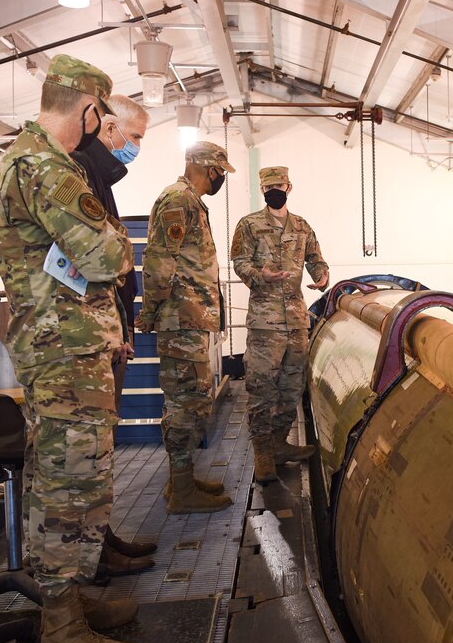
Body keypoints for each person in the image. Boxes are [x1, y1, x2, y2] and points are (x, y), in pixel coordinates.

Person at [0, 53, 148, 643]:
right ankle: (62, 627)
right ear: (88, 110)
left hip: (62, 348)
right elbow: (108, 255)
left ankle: (73, 600)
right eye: (101, 117)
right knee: (68, 484)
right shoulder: (47, 169)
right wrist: (113, 247)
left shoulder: (23, 163)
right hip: (64, 351)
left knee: (71, 476)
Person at [70, 94, 156, 579]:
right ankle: (87, 563)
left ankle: (102, 541)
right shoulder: (75, 172)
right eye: (135, 136)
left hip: (105, 333)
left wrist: (120, 325)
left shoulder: (98, 176)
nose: (136, 147)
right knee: (85, 460)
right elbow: (100, 261)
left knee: (100, 455)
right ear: (106, 126)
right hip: (79, 342)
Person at [136, 142, 233, 514]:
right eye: (219, 170)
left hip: (191, 318)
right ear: (207, 168)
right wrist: (151, 310)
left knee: (191, 398)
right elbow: (160, 261)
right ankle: (180, 490)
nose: (220, 177)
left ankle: (182, 479)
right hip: (181, 319)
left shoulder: (189, 200)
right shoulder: (179, 200)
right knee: (185, 402)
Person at [230, 166, 329, 482]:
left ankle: (280, 444)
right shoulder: (249, 225)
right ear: (262, 190)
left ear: (289, 186)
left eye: (280, 185)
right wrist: (261, 276)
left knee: (291, 387)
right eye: (269, 186)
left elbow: (316, 259)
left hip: (297, 322)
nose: (275, 190)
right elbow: (240, 262)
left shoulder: (301, 226)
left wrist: (323, 277)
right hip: (265, 323)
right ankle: (263, 455)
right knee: (261, 388)